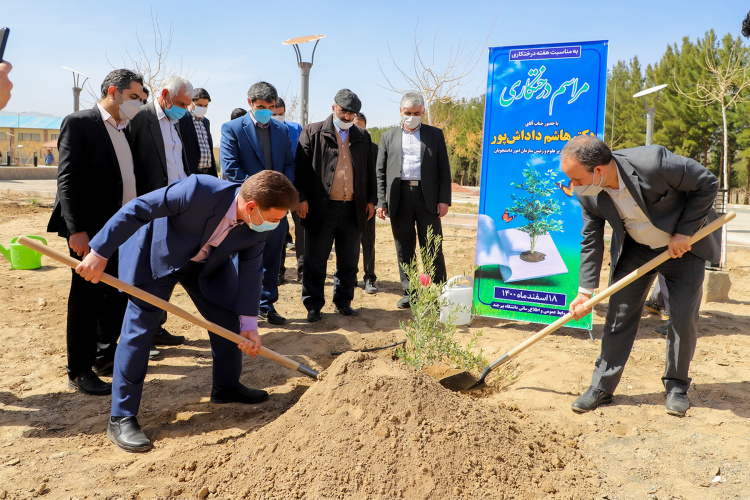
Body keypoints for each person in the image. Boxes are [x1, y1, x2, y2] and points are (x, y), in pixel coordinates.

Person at [75, 171, 299, 452]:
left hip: (207, 264)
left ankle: (226, 387)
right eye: (274, 219)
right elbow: (138, 209)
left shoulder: (258, 227)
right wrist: (99, 252)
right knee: (140, 329)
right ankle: (121, 417)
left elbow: (251, 273)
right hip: (159, 254)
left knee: (229, 319)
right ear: (251, 207)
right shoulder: (198, 190)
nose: (276, 226)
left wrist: (250, 323)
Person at [562, 135, 720, 417]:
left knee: (683, 318)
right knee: (619, 314)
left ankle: (677, 387)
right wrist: (585, 292)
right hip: (635, 249)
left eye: (575, 178)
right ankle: (602, 386)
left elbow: (707, 183)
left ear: (598, 170)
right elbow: (591, 239)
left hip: (682, 248)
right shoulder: (587, 191)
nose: (572, 185)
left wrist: (684, 232)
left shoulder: (654, 162)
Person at [47, 69, 146, 396]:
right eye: (134, 97)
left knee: (116, 292)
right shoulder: (80, 122)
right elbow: (68, 180)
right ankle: (79, 369)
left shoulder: (124, 128)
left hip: (122, 228)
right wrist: (77, 231)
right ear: (114, 92)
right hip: (91, 232)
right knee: (87, 299)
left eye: (142, 99)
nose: (138, 104)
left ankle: (105, 356)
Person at [295, 89, 376, 322]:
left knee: (349, 259)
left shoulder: (362, 135)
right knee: (316, 259)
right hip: (321, 208)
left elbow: (369, 172)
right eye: (343, 112)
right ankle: (313, 305)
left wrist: (371, 200)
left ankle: (343, 301)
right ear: (333, 108)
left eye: (351, 113)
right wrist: (301, 198)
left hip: (353, 208)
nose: (347, 117)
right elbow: (300, 169)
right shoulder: (313, 131)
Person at [220, 82, 296, 325]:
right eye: (262, 106)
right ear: (250, 103)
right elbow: (230, 168)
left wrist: (280, 191)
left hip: (274, 208)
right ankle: (237, 308)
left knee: (272, 258)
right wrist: (260, 193)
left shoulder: (281, 130)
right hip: (247, 207)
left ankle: (266, 305)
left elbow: (288, 164)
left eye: (271, 107)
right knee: (241, 259)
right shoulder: (232, 128)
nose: (267, 111)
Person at [127, 75, 194, 347]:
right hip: (151, 205)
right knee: (144, 272)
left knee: (165, 268)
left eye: (186, 105)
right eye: (179, 103)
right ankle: (143, 333)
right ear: (164, 94)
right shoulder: (140, 119)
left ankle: (158, 327)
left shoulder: (183, 119)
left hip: (177, 205)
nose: (183, 109)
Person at [376, 92, 451, 308]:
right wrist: (381, 201)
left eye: (416, 113)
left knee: (432, 246)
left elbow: (444, 170)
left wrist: (444, 199)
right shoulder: (387, 137)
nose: (412, 117)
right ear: (401, 112)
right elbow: (380, 172)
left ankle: (439, 291)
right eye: (408, 113)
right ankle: (411, 292)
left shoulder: (435, 135)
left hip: (427, 198)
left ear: (423, 112)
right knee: (404, 246)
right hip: (399, 197)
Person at [273, 97, 304, 284]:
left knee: (302, 232)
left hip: (297, 187)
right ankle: (279, 272)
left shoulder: (296, 129)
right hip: (276, 190)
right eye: (274, 114)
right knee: (279, 230)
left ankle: (303, 273)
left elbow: (302, 156)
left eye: (281, 113)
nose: (278, 117)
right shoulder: (266, 131)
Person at [353, 112, 377, 294]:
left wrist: (373, 201)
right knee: (349, 242)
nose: (358, 131)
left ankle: (369, 278)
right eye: (355, 127)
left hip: (366, 204)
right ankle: (350, 276)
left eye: (362, 127)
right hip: (346, 203)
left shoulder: (373, 148)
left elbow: (376, 177)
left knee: (368, 242)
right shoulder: (343, 146)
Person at [179, 87, 218, 176]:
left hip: (207, 173)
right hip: (190, 174)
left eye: (205, 106)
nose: (203, 108)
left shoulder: (206, 122)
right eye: (199, 105)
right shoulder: (182, 119)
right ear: (191, 103)